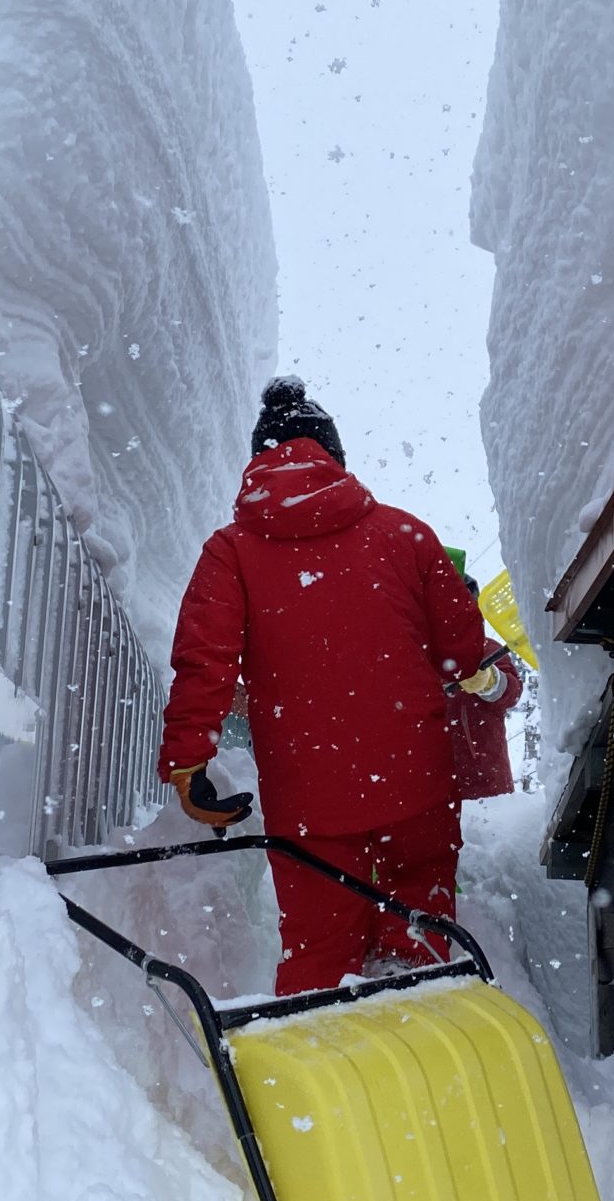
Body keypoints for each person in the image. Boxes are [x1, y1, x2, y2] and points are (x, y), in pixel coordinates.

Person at [157, 376, 505, 993]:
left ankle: (322, 1034)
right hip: (416, 780)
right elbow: (459, 652)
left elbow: (204, 660)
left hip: (308, 797)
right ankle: (420, 1021)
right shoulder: (407, 535)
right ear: (336, 460)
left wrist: (189, 762)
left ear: (258, 461)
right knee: (418, 933)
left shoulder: (231, 552)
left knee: (319, 951)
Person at [449, 572, 524, 801]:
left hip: (486, 788)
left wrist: (489, 681)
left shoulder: (486, 649)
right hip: (428, 787)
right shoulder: (415, 656)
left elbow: (512, 692)